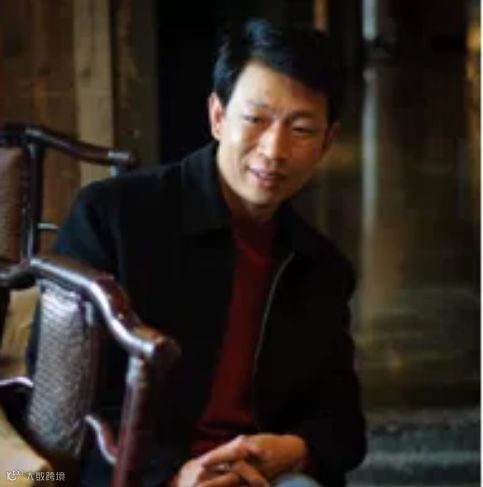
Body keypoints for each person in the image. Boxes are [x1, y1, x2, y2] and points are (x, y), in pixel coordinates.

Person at [27, 18, 366, 487]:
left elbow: (343, 425)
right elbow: (61, 397)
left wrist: (294, 450)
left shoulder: (320, 268)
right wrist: (171, 476)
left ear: (327, 142)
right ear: (217, 116)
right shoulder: (113, 217)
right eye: (255, 120)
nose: (274, 149)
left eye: (302, 129)